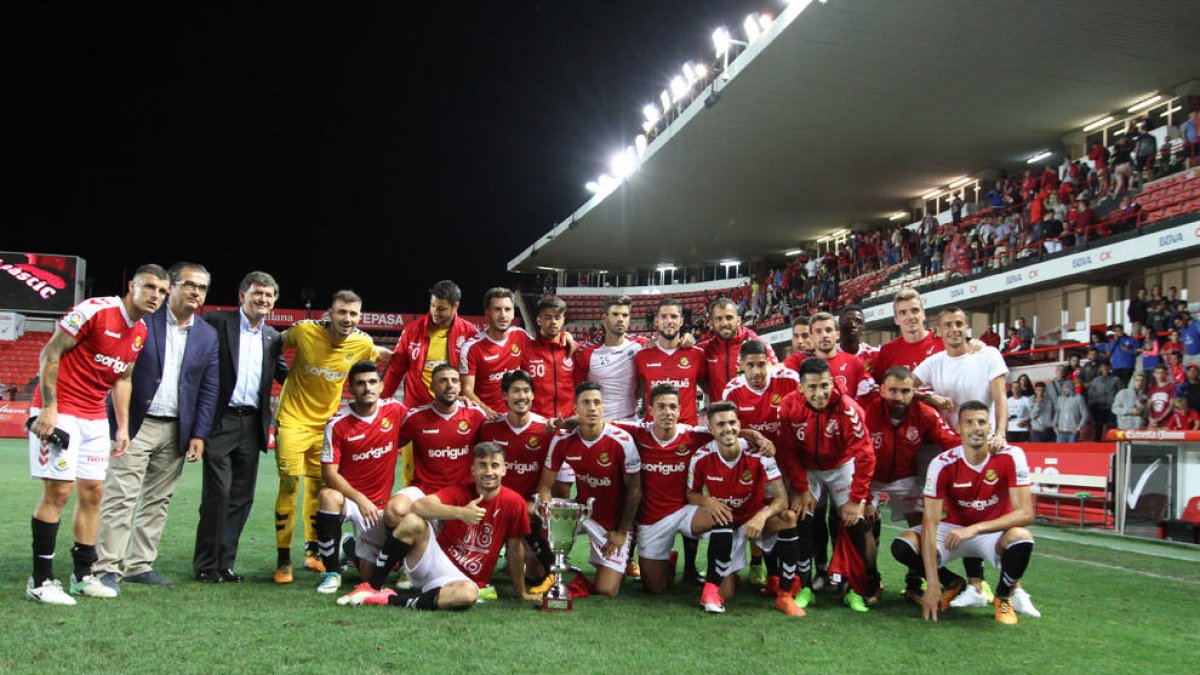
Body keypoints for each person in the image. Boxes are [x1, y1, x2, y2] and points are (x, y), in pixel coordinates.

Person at [26, 264, 170, 605]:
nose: (156, 296)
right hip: (61, 411)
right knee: (59, 492)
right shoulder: (95, 311)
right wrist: (49, 407)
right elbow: (51, 352)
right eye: (150, 287)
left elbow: (123, 378)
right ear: (131, 285)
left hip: (94, 417)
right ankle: (41, 580)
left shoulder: (140, 332)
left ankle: (82, 575)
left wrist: (121, 426)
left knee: (93, 493)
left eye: (163, 291)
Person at [93, 262, 219, 593]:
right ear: (171, 286)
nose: (196, 292)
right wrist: (119, 424)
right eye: (189, 285)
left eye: (202, 288)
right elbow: (120, 372)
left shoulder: (207, 334)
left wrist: (199, 433)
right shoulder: (141, 321)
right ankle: (107, 566)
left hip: (177, 428)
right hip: (135, 423)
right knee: (121, 495)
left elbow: (208, 387)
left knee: (158, 500)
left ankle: (139, 565)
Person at [272, 290, 392, 583]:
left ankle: (312, 552)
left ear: (359, 316)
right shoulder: (303, 332)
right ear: (329, 313)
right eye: (342, 312)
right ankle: (283, 559)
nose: (347, 319)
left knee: (318, 489)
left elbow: (389, 357)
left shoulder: (362, 343)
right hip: (292, 420)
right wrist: (279, 373)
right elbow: (270, 342)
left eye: (353, 314)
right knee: (290, 483)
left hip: (325, 426)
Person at [339, 442, 536, 609]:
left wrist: (521, 593)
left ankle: (390, 599)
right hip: (434, 560)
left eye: (495, 465)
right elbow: (418, 506)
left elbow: (515, 548)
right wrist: (461, 513)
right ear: (473, 470)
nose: (489, 471)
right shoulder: (459, 492)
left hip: (465, 580)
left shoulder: (514, 502)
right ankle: (373, 586)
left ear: (504, 469)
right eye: (482, 465)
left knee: (467, 595)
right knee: (412, 521)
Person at [890, 401, 1036, 624]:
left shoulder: (1011, 455)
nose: (976, 427)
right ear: (958, 428)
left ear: (990, 427)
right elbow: (930, 522)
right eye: (969, 422)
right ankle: (951, 582)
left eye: (981, 422)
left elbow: (1025, 514)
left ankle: (1003, 596)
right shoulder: (942, 463)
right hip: (952, 531)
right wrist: (931, 582)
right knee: (903, 545)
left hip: (991, 531)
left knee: (1022, 538)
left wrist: (974, 529)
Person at [193, 271, 288, 583]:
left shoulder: (273, 337)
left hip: (253, 424)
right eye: (257, 293)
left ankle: (225, 563)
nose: (263, 299)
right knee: (217, 493)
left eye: (269, 295)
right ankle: (206, 564)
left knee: (241, 497)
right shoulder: (217, 322)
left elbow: (286, 376)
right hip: (221, 420)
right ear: (242, 295)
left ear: (274, 301)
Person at [775, 357, 877, 612]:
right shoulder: (788, 407)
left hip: (841, 467)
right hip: (808, 469)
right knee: (802, 518)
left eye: (824, 385)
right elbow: (788, 453)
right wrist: (801, 489)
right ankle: (806, 586)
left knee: (855, 522)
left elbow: (865, 456)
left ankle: (854, 589)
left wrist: (857, 499)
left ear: (832, 382)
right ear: (800, 388)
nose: (819, 394)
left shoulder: (848, 408)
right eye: (812, 387)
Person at [687, 402, 803, 617]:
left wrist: (762, 515)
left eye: (732, 422)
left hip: (754, 521)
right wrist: (707, 501)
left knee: (788, 517)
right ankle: (713, 590)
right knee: (727, 592)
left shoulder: (759, 453)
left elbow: (781, 499)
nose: (727, 428)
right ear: (711, 429)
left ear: (739, 425)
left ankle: (785, 595)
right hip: (727, 524)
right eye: (720, 424)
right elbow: (690, 494)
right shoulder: (701, 456)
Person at [538, 382, 641, 598]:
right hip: (582, 513)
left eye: (597, 403)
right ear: (576, 408)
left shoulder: (622, 441)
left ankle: (624, 560)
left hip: (613, 523)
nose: (592, 408)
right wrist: (547, 520)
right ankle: (552, 565)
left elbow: (635, 491)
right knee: (541, 523)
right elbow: (545, 488)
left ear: (604, 407)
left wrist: (622, 532)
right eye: (586, 403)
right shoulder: (562, 439)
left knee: (606, 589)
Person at [312, 361, 406, 595]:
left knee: (368, 574)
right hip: (351, 501)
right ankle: (331, 572)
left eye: (372, 382)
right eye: (360, 383)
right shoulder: (337, 424)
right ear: (350, 389)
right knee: (327, 496)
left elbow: (421, 425)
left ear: (382, 386)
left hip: (380, 506)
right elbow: (329, 473)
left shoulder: (395, 411)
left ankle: (349, 547)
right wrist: (360, 499)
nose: (367, 388)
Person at [722, 339, 799, 590]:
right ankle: (762, 568)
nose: (757, 371)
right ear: (741, 366)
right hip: (755, 466)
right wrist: (754, 435)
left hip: (788, 462)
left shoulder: (789, 380)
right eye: (750, 365)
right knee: (761, 515)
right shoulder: (732, 390)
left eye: (761, 364)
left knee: (794, 516)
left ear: (770, 362)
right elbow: (728, 427)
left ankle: (788, 577)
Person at [474, 369, 557, 593]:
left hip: (530, 510)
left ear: (533, 396)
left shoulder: (546, 429)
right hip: (494, 509)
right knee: (478, 573)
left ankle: (548, 569)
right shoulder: (489, 427)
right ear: (505, 395)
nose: (521, 396)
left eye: (526, 391)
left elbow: (553, 475)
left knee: (535, 574)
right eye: (515, 391)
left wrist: (542, 503)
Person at [381, 279, 478, 408]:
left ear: (455, 306)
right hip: (417, 407)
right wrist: (380, 404)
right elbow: (395, 371)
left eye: (441, 308)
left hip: (454, 408)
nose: (435, 312)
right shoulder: (412, 331)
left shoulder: (469, 333)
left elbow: (476, 375)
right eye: (432, 306)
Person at [460, 287, 531, 419]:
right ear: (487, 313)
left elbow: (544, 347)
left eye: (507, 309)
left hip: (515, 417)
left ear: (513, 313)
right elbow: (466, 390)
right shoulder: (472, 347)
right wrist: (487, 412)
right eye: (497, 309)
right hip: (486, 418)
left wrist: (565, 336)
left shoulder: (520, 335)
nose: (503, 315)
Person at [634, 298, 707, 425]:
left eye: (674, 316)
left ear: (681, 321)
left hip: (687, 432)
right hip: (653, 431)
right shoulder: (641, 356)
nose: (669, 321)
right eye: (664, 317)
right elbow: (637, 392)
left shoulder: (697, 354)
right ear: (656, 320)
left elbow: (709, 388)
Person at [574, 296, 647, 421]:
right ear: (605, 318)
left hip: (630, 422)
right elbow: (576, 390)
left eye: (625, 315)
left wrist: (687, 339)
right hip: (598, 424)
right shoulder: (585, 352)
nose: (620, 319)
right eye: (615, 314)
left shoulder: (641, 345)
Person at [700, 297, 774, 405]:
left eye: (729, 317)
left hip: (753, 417)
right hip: (722, 418)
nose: (724, 323)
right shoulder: (704, 350)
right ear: (712, 322)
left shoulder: (758, 345)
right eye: (719, 319)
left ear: (738, 320)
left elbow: (775, 378)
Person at [522, 295, 576, 419]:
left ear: (563, 319)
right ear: (539, 320)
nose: (553, 322)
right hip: (538, 423)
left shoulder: (574, 350)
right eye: (548, 317)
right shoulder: (526, 352)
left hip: (568, 424)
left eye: (557, 317)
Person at [809, 311, 873, 399]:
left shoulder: (855, 362)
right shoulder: (804, 366)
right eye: (818, 331)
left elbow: (867, 394)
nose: (824, 335)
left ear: (837, 335)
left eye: (829, 330)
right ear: (811, 337)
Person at [837, 305, 879, 377]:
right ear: (839, 327)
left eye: (858, 321)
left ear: (863, 329)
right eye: (847, 320)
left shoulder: (874, 356)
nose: (853, 325)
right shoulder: (828, 355)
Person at [1085, 362, 1122, 439]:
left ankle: (1112, 444)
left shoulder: (1116, 380)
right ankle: (1097, 444)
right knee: (1098, 427)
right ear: (1100, 369)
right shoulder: (1095, 380)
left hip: (1111, 407)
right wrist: (1091, 406)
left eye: (1107, 367)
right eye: (1103, 367)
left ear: (1110, 368)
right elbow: (1091, 394)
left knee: (1111, 427)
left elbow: (1120, 393)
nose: (1105, 369)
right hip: (1098, 407)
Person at [1146, 364, 1177, 429]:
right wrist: (1150, 418)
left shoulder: (1171, 386)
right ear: (1154, 374)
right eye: (1157, 373)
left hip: (1166, 422)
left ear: (1166, 374)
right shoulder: (1151, 388)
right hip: (1152, 423)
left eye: (1162, 373)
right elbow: (1148, 405)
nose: (1160, 375)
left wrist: (1160, 418)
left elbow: (1171, 405)